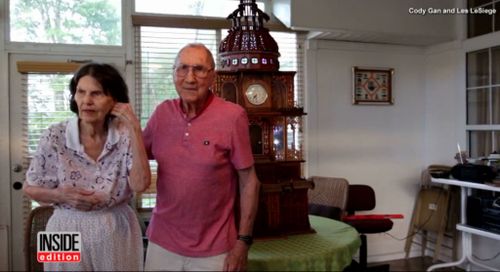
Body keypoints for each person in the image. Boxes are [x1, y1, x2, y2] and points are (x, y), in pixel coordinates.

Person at [143, 43, 260, 271]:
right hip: (162, 245)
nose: (190, 78)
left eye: (199, 69)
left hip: (215, 250)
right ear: (173, 73)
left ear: (213, 76)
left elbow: (250, 183)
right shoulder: (161, 114)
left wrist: (243, 243)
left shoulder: (233, 117)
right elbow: (133, 156)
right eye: (182, 68)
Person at [23, 63, 151, 271]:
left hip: (116, 225)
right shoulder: (54, 135)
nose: (87, 101)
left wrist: (135, 127)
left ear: (115, 101)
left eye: (97, 93)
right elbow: (30, 188)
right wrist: (62, 196)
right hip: (63, 224)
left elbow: (140, 185)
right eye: (81, 92)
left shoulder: (126, 134)